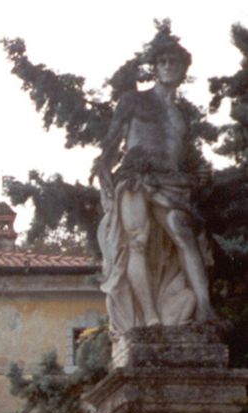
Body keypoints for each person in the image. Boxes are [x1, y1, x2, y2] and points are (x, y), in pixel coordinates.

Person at [93, 29, 216, 337]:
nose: (168, 66)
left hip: (171, 183)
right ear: (155, 68)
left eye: (174, 61)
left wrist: (197, 175)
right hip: (135, 178)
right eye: (162, 61)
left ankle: (205, 309)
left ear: (184, 69)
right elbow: (110, 146)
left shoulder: (180, 115)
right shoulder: (135, 100)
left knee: (182, 231)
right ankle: (149, 319)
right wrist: (106, 183)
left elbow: (182, 157)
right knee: (137, 241)